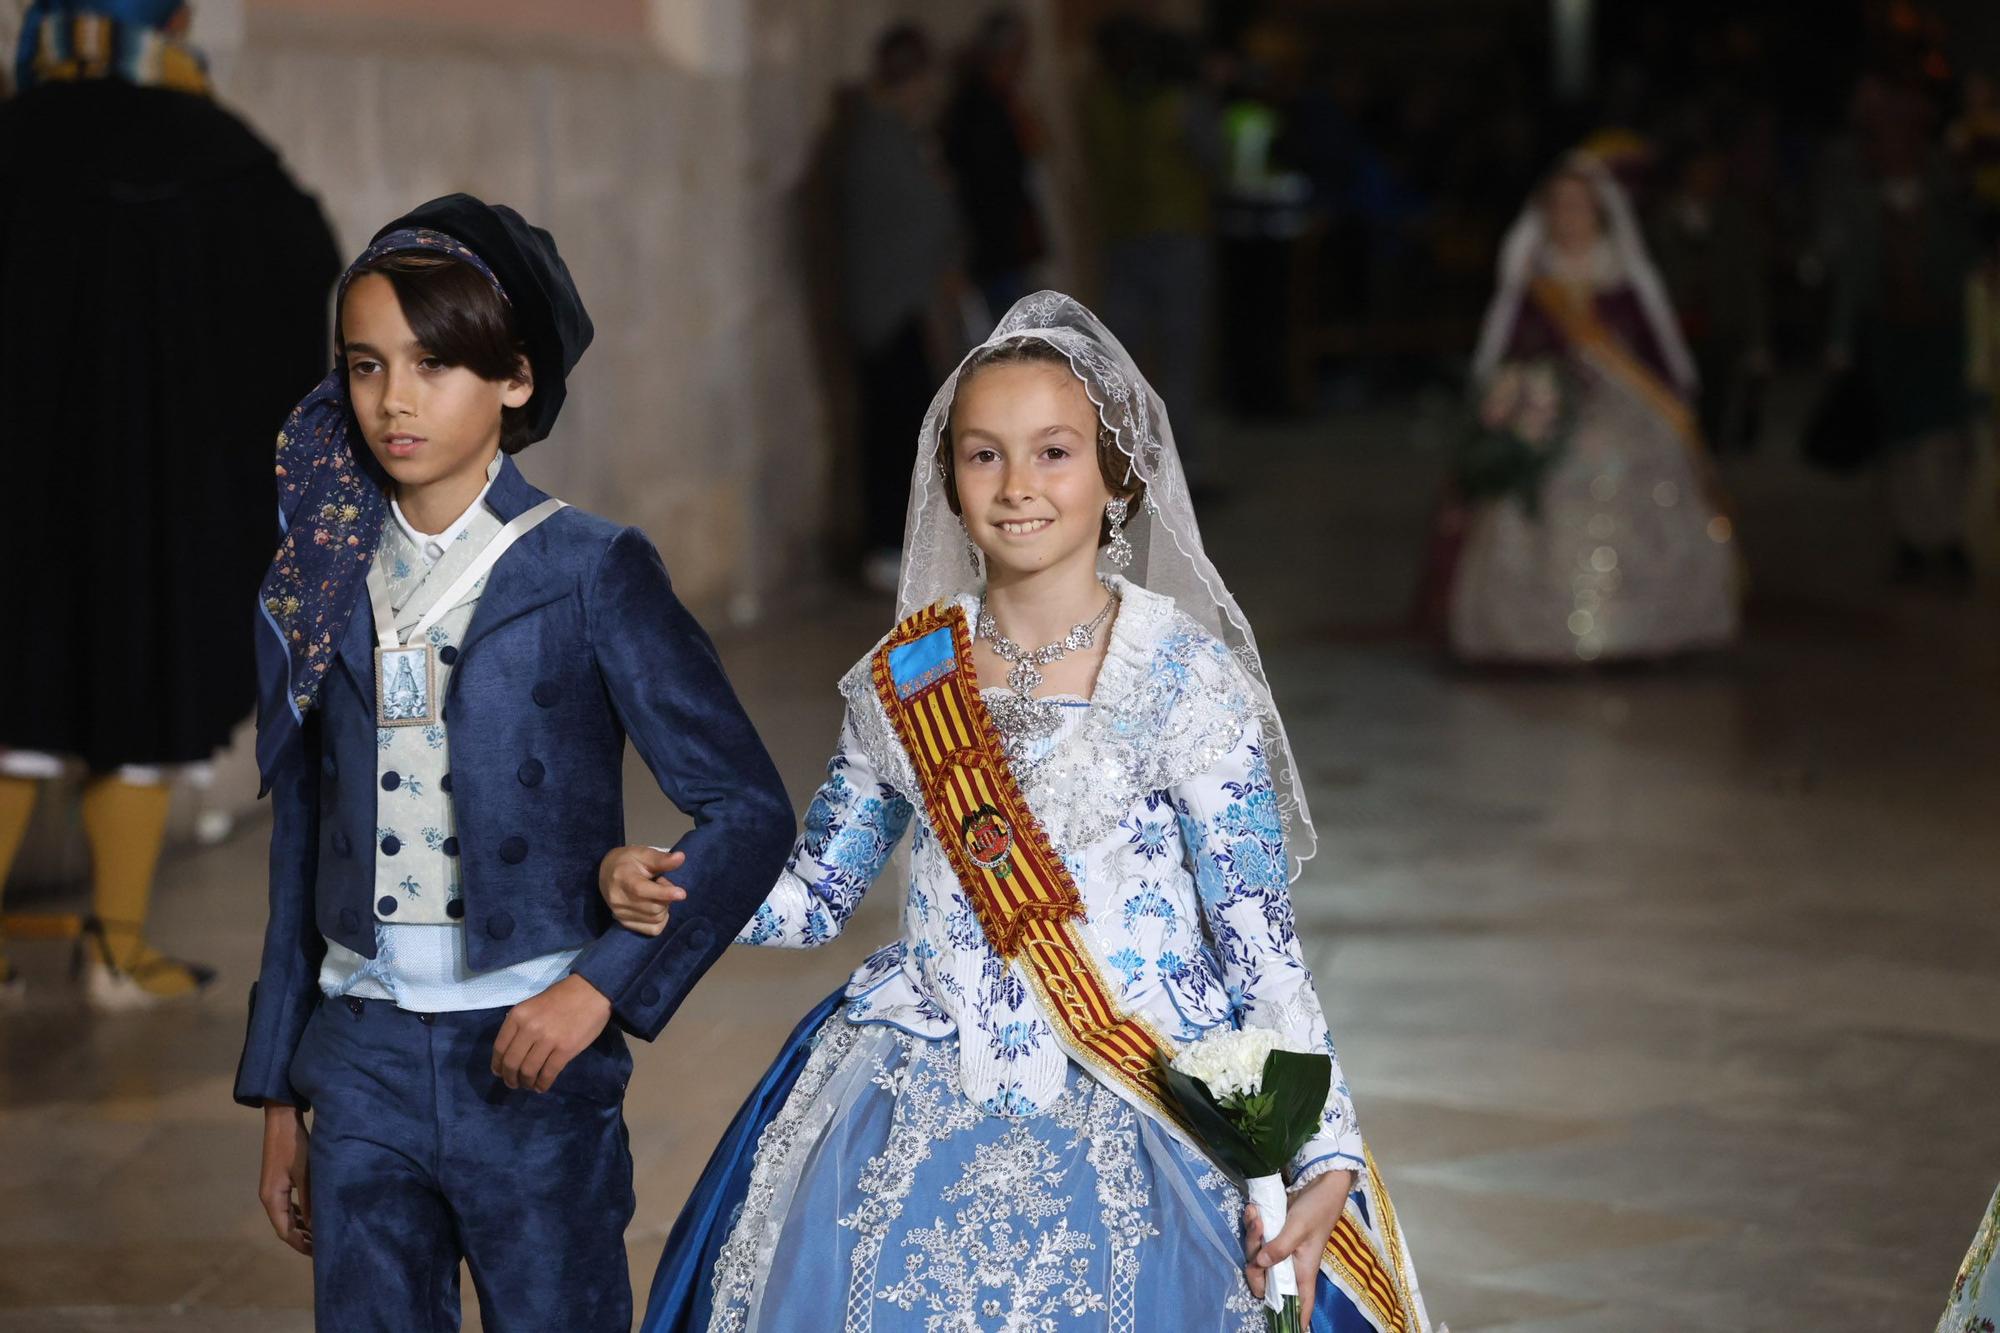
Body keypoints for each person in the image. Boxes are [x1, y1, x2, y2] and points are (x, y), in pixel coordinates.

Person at [609, 292, 1436, 1332]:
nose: (1015, 488)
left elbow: (1254, 934)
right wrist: (672, 887)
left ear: (1112, 474)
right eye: (982, 455)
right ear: (948, 479)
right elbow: (816, 895)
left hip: (1142, 1083)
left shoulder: (1182, 677)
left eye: (1052, 452)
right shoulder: (902, 677)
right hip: (916, 1072)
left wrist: (1323, 1152)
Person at [232, 195, 795, 1331]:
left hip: (531, 1058)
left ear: (516, 380)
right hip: (361, 1059)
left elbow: (747, 807)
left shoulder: (591, 570)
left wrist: (597, 990)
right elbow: (302, 846)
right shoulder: (317, 578)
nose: (394, 399)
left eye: (435, 364)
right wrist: (279, 1090)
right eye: (366, 364)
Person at [0, 0, 339, 1006]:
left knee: (13, 699)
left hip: (20, 494)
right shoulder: (228, 159)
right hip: (166, 502)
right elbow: (301, 302)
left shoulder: (12, 143)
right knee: (148, 691)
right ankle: (117, 945)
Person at [1450, 152, 1740, 665]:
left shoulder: (1625, 282)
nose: (1570, 219)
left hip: (1627, 412)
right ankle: (1541, 629)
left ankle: (1641, 625)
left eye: (1581, 208)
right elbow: (1506, 356)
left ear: (1602, 216)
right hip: (1550, 411)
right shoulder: (1535, 285)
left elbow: (1662, 363)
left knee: (1625, 458)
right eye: (1560, 207)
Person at [839, 22, 963, 593]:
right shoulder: (880, 137)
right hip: (889, 311)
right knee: (894, 432)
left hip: (897, 307)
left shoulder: (893, 134)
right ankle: (888, 546)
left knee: (903, 429)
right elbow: (925, 218)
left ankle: (899, 543)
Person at [942, 7, 1048, 318]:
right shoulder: (982, 109)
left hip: (1002, 250)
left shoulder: (992, 102)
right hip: (998, 251)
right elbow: (991, 185)